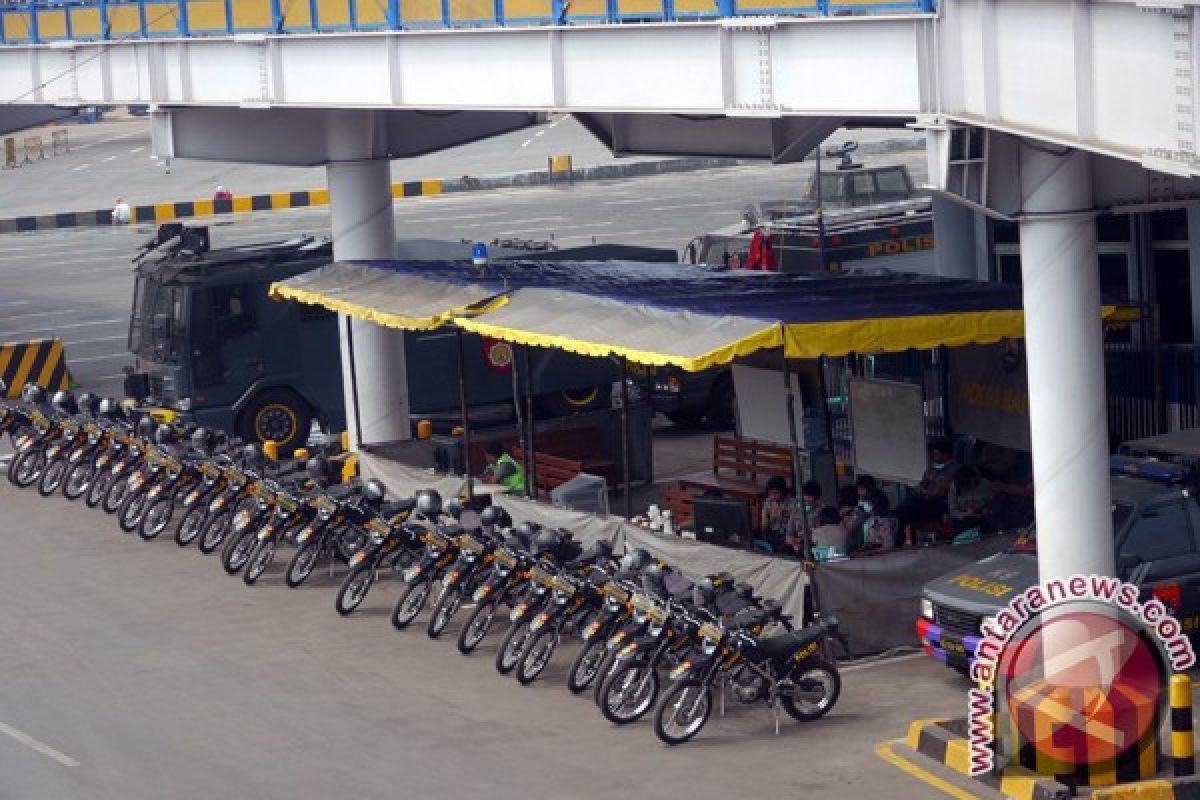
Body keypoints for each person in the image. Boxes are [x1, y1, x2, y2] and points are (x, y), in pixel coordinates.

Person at [897, 440, 960, 538]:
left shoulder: (954, 469)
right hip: (925, 499)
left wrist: (926, 491)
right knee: (905, 507)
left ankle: (898, 537)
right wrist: (924, 491)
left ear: (945, 455)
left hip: (940, 502)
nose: (933, 457)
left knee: (910, 509)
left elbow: (940, 491)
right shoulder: (931, 468)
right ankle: (899, 533)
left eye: (936, 454)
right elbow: (922, 484)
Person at [946, 466, 994, 534]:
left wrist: (982, 513)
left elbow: (991, 502)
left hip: (983, 516)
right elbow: (953, 510)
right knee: (966, 524)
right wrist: (966, 514)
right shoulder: (954, 487)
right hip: (964, 517)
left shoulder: (984, 484)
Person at [760, 475, 797, 546]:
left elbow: (796, 524)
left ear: (783, 491)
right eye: (770, 493)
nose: (773, 496)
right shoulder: (768, 502)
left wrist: (786, 515)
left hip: (788, 534)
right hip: (773, 533)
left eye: (776, 493)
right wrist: (770, 518)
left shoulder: (792, 503)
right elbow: (763, 528)